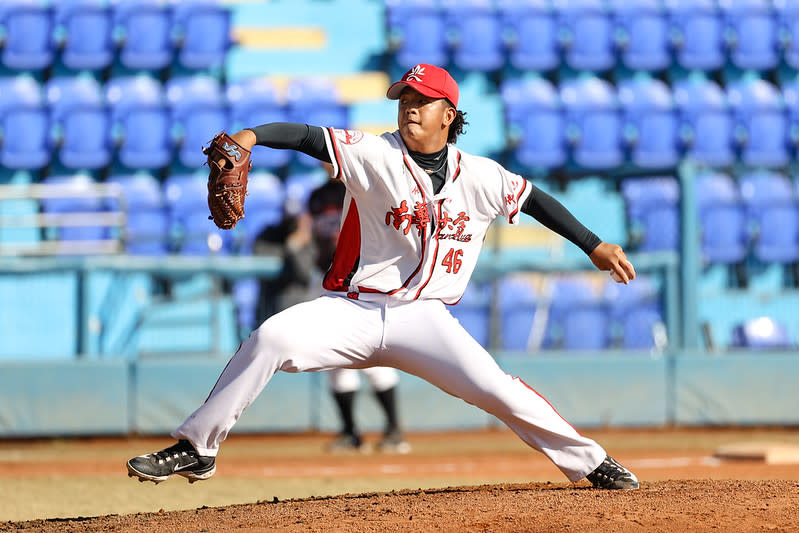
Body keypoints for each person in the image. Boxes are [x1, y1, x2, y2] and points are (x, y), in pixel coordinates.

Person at [126, 64, 639, 490]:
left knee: (499, 390)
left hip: (426, 320)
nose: (410, 106)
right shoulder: (375, 154)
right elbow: (307, 136)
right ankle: (197, 447)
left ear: (449, 114)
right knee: (270, 337)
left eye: (423, 99)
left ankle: (591, 463)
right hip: (355, 309)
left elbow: (536, 200)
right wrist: (251, 136)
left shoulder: (482, 175)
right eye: (404, 98)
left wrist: (593, 245)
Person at [306, 174, 410, 454]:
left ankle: (394, 430)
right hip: (328, 277)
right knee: (333, 357)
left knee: (373, 354)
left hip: (364, 278)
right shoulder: (317, 195)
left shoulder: (367, 188)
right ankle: (350, 433)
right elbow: (312, 235)